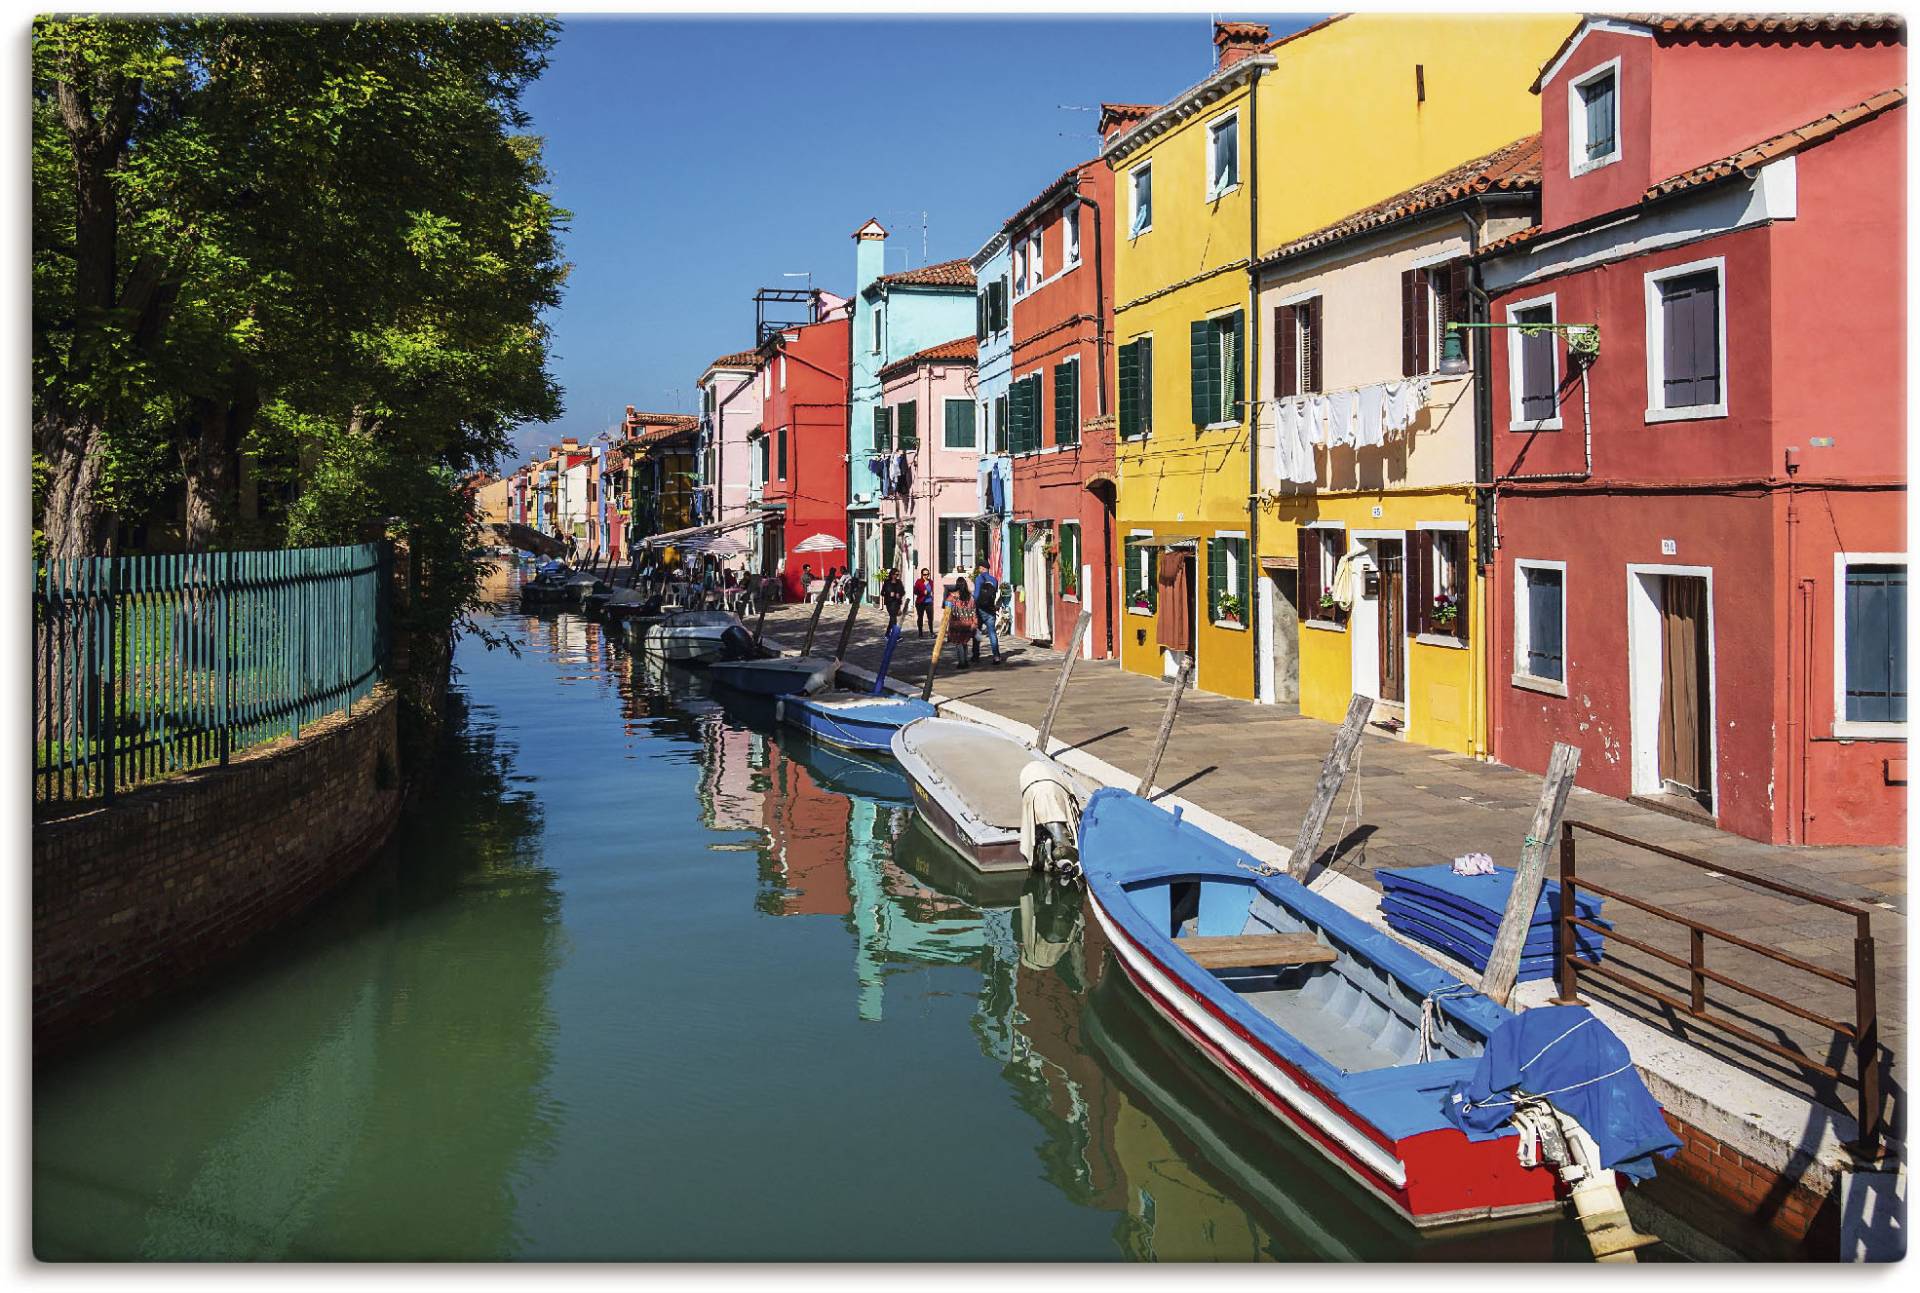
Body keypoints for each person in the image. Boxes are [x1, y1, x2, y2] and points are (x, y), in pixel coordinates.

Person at [971, 560, 1003, 665]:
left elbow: (976, 596)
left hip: (980, 610)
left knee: (977, 632)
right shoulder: (994, 580)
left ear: (982, 568)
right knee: (992, 633)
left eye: (979, 568)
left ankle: (976, 655)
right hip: (990, 609)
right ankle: (996, 656)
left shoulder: (979, 578)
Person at [942, 577, 977, 670]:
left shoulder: (952, 597)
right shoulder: (970, 597)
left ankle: (962, 662)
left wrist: (945, 624)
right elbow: (974, 610)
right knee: (964, 642)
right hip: (967, 624)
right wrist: (974, 622)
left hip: (956, 624)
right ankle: (964, 660)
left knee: (958, 643)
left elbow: (947, 610)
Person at [913, 567, 935, 636]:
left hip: (929, 602)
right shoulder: (918, 581)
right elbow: (915, 591)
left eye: (927, 574)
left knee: (930, 618)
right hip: (920, 602)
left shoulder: (931, 582)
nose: (926, 576)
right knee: (920, 617)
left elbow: (932, 590)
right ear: (922, 574)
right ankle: (920, 632)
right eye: (924, 574)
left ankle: (931, 631)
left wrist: (931, 595)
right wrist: (922, 592)